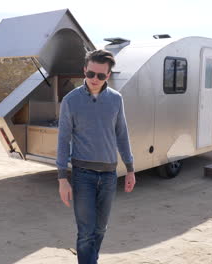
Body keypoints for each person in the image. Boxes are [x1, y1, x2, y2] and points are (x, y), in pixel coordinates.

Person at [56, 49, 136, 264]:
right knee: (85, 232)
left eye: (101, 75)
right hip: (83, 176)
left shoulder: (116, 100)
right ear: (85, 70)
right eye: (91, 74)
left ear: (108, 75)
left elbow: (122, 135)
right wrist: (62, 178)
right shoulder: (70, 101)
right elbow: (63, 140)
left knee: (100, 229)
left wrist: (130, 168)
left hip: (109, 175)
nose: (94, 79)